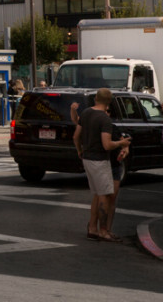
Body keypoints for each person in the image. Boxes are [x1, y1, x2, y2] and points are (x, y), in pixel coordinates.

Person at [73, 88, 131, 242]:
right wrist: (122, 143)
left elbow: (76, 136)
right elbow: (106, 145)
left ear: (96, 99)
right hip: (99, 160)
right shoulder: (104, 119)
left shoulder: (86, 113)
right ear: (109, 102)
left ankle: (92, 228)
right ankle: (103, 231)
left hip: (88, 158)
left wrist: (80, 150)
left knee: (98, 194)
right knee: (104, 195)